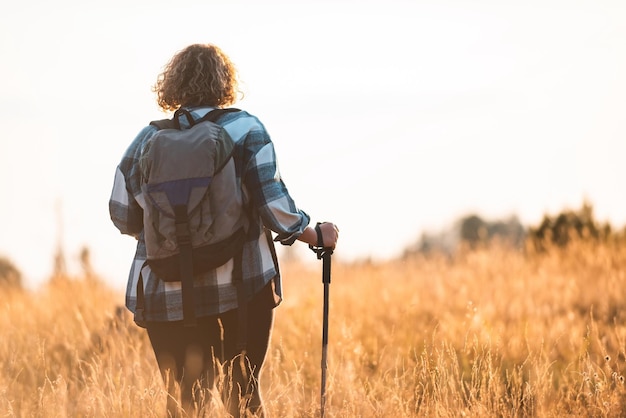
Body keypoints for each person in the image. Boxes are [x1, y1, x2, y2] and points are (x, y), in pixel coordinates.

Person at [109, 43, 339, 418]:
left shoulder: (146, 141)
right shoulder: (245, 128)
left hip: (165, 290)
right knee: (242, 395)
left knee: (184, 403)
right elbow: (274, 208)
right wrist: (316, 234)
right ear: (225, 83)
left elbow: (121, 214)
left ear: (173, 85)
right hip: (242, 284)